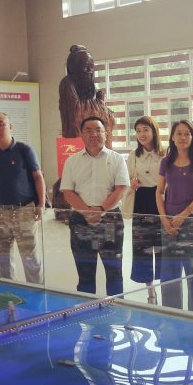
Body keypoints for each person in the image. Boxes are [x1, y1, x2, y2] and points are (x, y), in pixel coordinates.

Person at [61, 116, 129, 296]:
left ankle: (116, 308)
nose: (94, 134)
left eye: (98, 130)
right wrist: (86, 212)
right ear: (82, 135)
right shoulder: (72, 161)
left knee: (114, 271)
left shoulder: (117, 159)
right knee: (85, 271)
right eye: (89, 130)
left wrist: (101, 210)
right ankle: (86, 309)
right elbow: (68, 191)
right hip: (80, 221)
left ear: (106, 134)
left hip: (110, 220)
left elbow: (121, 188)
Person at [0, 112, 46, 284]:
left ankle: (35, 291)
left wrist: (40, 204)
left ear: (10, 126)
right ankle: (8, 290)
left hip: (24, 210)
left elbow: (38, 177)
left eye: (1, 124)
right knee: (2, 257)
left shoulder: (24, 150)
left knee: (30, 258)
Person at [156, 120, 193, 312]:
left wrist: (184, 215)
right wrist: (164, 219)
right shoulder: (165, 161)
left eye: (187, 133)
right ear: (172, 137)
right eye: (179, 133)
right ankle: (172, 316)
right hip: (168, 222)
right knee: (169, 273)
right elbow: (159, 192)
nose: (183, 137)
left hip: (192, 221)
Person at [127, 116, 165, 303]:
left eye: (145, 130)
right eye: (138, 131)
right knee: (142, 249)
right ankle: (150, 291)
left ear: (154, 131)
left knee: (162, 248)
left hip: (162, 202)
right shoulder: (134, 155)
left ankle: (165, 288)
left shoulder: (165, 153)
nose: (142, 134)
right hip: (141, 202)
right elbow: (126, 178)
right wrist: (131, 183)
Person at [58, 44, 115, 148]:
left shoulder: (90, 85)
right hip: (76, 140)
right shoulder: (67, 83)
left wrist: (103, 108)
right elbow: (76, 111)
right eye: (85, 66)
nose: (89, 70)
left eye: (91, 66)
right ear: (74, 67)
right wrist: (99, 105)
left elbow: (102, 113)